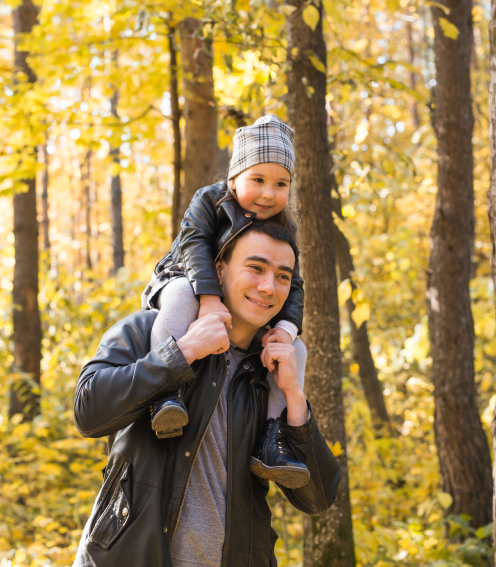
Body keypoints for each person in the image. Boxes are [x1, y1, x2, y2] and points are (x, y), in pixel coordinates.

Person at [72, 222, 340, 567]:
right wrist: (179, 354)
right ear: (219, 268)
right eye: (255, 268)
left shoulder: (272, 373)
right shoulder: (151, 331)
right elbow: (88, 411)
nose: (268, 287)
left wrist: (294, 396)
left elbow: (318, 497)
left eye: (283, 276)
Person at [142, 114, 308, 487]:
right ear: (234, 179)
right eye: (258, 180)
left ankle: (272, 438)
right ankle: (165, 393)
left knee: (294, 350)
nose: (269, 193)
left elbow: (293, 282)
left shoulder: (283, 227)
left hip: (235, 300)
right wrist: (209, 297)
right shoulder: (211, 201)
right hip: (181, 277)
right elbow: (194, 245)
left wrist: (286, 327)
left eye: (281, 184)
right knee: (184, 295)